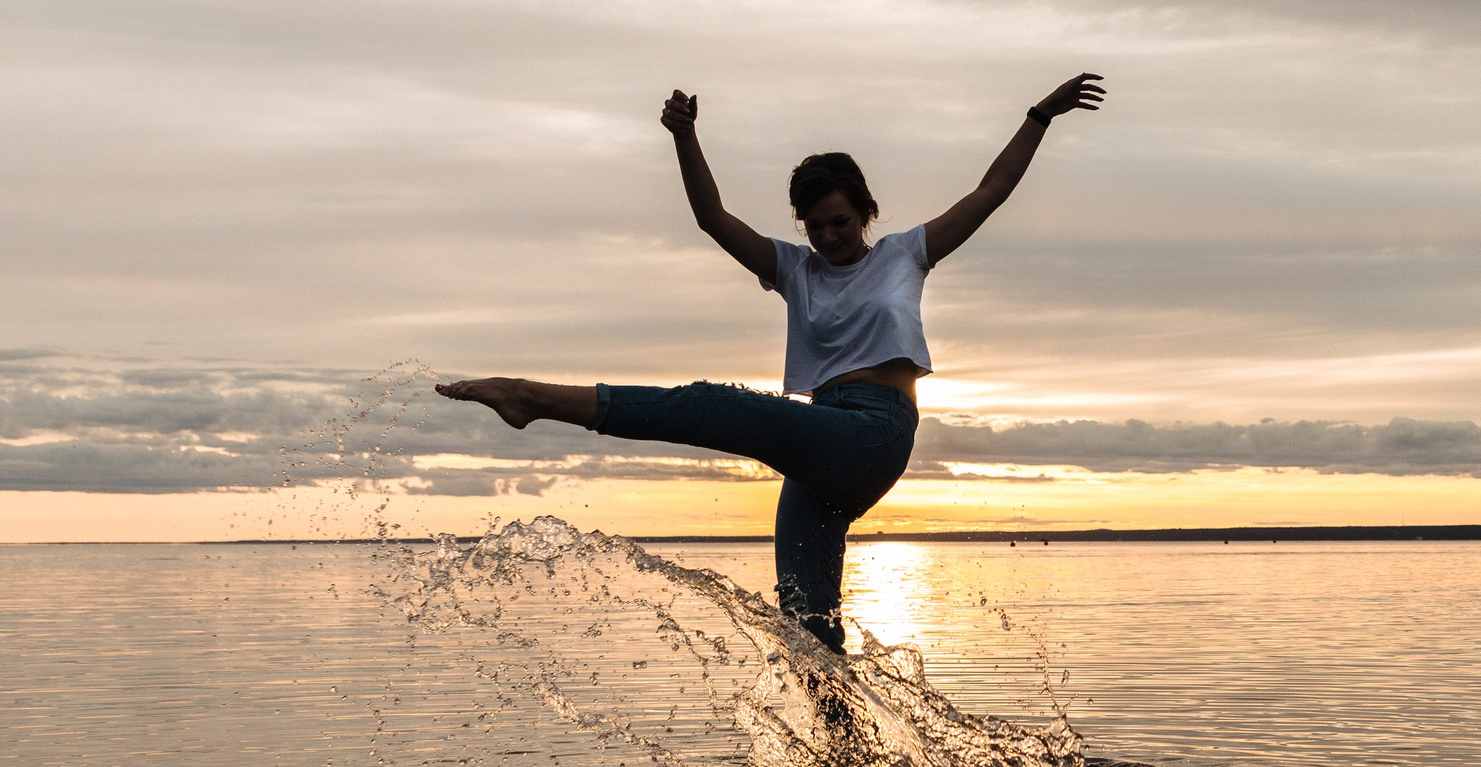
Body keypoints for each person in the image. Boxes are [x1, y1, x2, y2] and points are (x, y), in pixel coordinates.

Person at [435, 72, 1105, 653]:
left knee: (712, 405)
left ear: (867, 213)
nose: (830, 235)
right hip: (819, 444)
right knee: (805, 631)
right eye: (815, 225)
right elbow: (710, 217)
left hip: (874, 432)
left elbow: (990, 191)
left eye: (841, 221)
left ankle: (529, 397)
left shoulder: (905, 253)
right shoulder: (793, 270)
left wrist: (1039, 115)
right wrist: (684, 137)